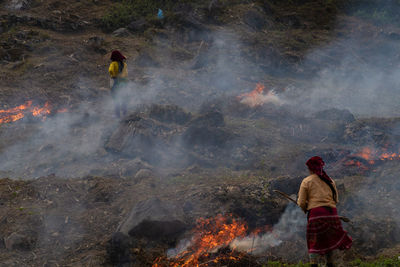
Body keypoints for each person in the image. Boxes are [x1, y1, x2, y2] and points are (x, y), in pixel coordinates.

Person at [297, 156, 352, 267]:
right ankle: (330, 264)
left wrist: (306, 209)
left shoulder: (306, 181)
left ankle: (314, 265)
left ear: (310, 168)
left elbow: (302, 202)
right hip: (332, 213)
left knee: (314, 241)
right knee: (329, 240)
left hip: (316, 214)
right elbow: (335, 200)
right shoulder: (330, 180)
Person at [109, 50, 128, 118]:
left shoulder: (113, 64)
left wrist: (113, 75)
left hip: (116, 82)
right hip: (124, 83)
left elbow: (110, 70)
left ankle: (117, 115)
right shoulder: (125, 65)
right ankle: (124, 112)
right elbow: (126, 74)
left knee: (116, 98)